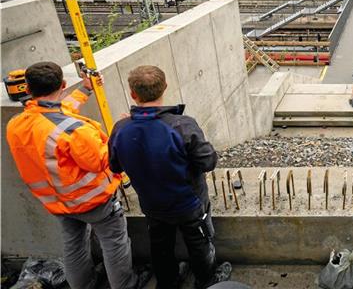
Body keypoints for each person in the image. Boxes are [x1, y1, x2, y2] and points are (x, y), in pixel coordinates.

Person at [6, 61, 149, 289]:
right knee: (114, 244)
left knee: (73, 246)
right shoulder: (73, 131)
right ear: (62, 84)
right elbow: (105, 160)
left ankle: (83, 285)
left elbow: (57, 112)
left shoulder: (17, 124)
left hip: (58, 203)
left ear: (28, 90)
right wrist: (120, 128)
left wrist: (85, 89)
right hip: (94, 201)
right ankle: (126, 285)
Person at [108, 65, 232, 289]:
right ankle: (206, 280)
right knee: (199, 242)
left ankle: (168, 282)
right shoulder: (181, 125)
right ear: (165, 87)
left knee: (160, 246)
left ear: (133, 94)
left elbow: (114, 165)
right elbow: (208, 162)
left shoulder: (120, 129)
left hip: (152, 204)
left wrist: (129, 127)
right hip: (189, 203)